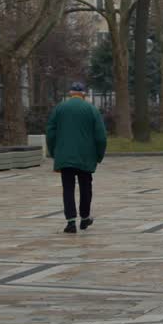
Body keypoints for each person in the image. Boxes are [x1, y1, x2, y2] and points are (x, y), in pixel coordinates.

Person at [46, 82, 107, 234]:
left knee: (68, 188)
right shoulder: (91, 109)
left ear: (70, 93)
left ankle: (70, 221)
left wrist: (54, 153)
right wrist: (98, 156)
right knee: (86, 187)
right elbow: (101, 137)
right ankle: (85, 217)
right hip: (86, 157)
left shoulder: (59, 109)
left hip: (65, 156)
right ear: (84, 94)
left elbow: (51, 133)